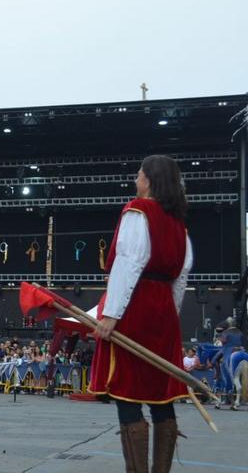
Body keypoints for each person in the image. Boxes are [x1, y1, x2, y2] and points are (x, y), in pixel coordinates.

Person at [88, 155, 192, 473]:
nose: (136, 179)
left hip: (136, 308)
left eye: (139, 174)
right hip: (163, 315)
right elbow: (182, 276)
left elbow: (128, 263)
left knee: (129, 392)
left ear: (149, 179)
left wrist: (111, 315)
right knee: (160, 398)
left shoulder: (139, 211)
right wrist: (170, 317)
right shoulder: (179, 225)